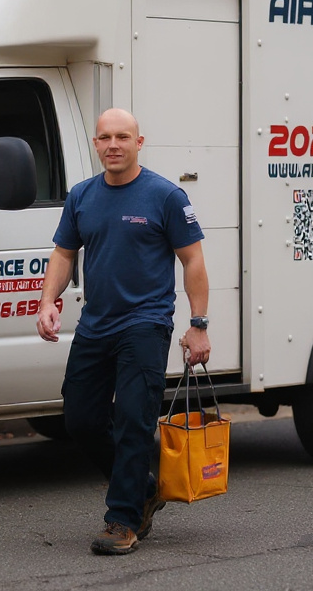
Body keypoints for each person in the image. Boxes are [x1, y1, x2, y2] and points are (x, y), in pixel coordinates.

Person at [36, 107, 212, 556]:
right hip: (96, 324)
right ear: (96, 144)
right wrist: (48, 300)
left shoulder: (164, 196)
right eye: (105, 137)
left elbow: (192, 260)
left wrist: (198, 326)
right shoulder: (82, 196)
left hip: (145, 324)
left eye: (122, 137)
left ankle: (123, 520)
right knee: (81, 419)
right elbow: (63, 254)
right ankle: (143, 487)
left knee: (134, 420)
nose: (113, 145)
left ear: (139, 142)